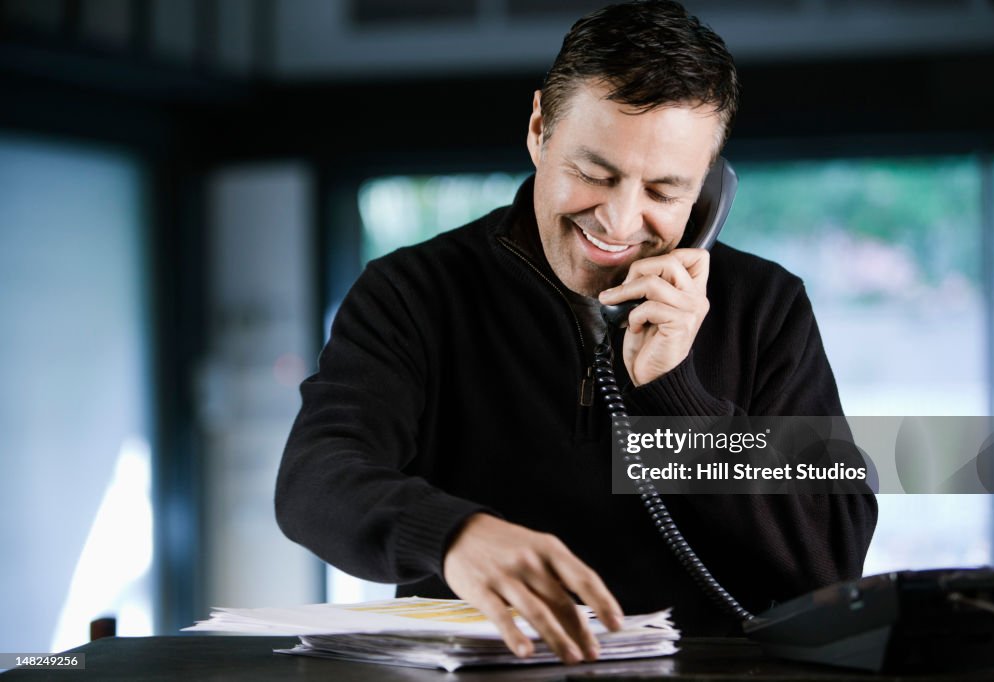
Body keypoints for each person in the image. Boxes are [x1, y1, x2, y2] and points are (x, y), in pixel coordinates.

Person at [275, 0, 877, 665]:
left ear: (708, 189)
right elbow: (315, 479)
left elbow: (832, 555)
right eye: (595, 174)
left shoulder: (766, 306)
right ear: (539, 130)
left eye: (664, 190)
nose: (620, 223)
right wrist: (452, 534)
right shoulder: (412, 292)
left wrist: (676, 396)